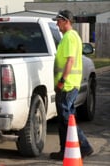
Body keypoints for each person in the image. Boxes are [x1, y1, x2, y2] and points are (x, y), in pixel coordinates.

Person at [50, 10, 93, 160]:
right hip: (70, 85)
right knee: (65, 119)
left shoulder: (69, 37)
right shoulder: (73, 36)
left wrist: (62, 81)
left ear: (66, 21)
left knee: (66, 118)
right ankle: (65, 150)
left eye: (59, 21)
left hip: (67, 85)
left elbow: (70, 61)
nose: (57, 24)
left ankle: (85, 146)